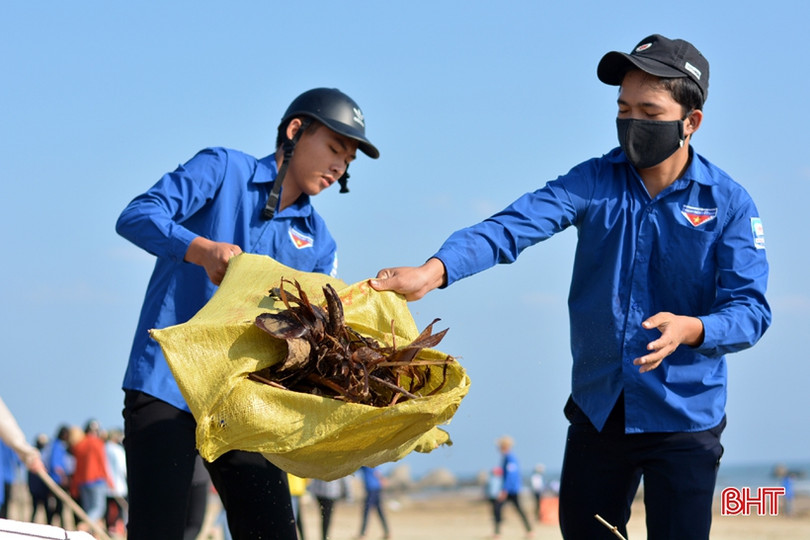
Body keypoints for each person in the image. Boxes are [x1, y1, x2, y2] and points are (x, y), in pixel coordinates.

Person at [371, 34, 771, 540]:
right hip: (600, 406)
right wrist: (434, 270)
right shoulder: (592, 181)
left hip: (685, 414)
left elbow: (750, 310)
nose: (631, 122)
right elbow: (512, 226)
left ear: (690, 123)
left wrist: (692, 328)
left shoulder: (730, 203)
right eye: (623, 108)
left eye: (649, 110)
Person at [116, 87, 379, 540]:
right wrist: (199, 250)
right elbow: (137, 214)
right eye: (335, 147)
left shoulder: (321, 242)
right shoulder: (222, 168)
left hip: (246, 403)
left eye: (349, 160)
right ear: (296, 131)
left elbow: (314, 333)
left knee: (272, 532)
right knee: (158, 530)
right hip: (167, 383)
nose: (340, 166)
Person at [0, 397, 46, 519]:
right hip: (7, 478)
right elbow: (4, 421)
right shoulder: (6, 442)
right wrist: (29, 455)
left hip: (8, 478)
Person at [70, 420, 113, 532]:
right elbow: (102, 463)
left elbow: (77, 467)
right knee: (98, 509)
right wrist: (109, 480)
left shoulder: (79, 445)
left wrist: (75, 485)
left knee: (89, 510)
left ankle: (91, 534)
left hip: (83, 482)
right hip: (97, 481)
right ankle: (84, 527)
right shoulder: (98, 443)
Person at [494, 436, 533, 538]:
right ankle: (529, 530)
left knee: (499, 508)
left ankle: (498, 533)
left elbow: (511, 475)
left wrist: (505, 490)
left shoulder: (510, 458)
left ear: (504, 446)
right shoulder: (507, 458)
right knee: (515, 509)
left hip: (511, 489)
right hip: (511, 488)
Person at [104, 429, 127, 536]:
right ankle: (117, 530)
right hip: (118, 485)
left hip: (106, 485)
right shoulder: (117, 450)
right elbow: (123, 468)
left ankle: (110, 528)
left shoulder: (103, 448)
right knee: (119, 510)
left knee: (108, 510)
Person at [357, 466, 390, 540]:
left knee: (366, 511)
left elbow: (354, 466)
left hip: (371, 489)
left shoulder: (365, 465)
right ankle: (387, 532)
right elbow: (378, 473)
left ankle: (362, 534)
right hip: (377, 488)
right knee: (380, 511)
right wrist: (382, 479)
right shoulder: (374, 463)